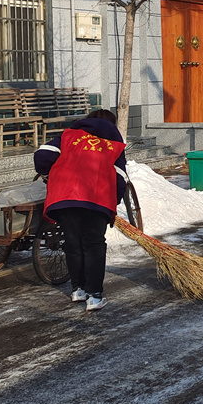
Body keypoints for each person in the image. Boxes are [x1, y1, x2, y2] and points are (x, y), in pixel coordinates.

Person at [34, 109, 127, 311]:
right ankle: (94, 296)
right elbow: (120, 178)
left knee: (73, 242)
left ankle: (79, 290)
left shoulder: (68, 136)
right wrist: (114, 202)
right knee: (94, 244)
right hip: (97, 198)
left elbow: (42, 154)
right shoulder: (114, 144)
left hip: (65, 196)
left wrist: (48, 173)